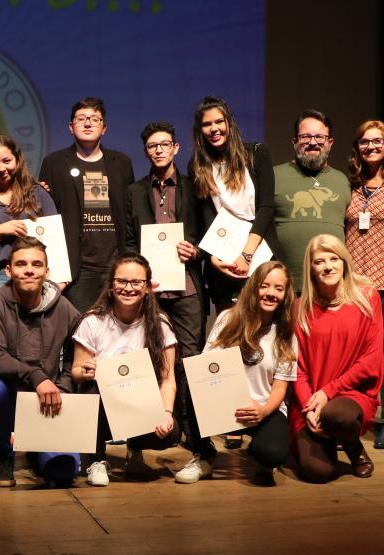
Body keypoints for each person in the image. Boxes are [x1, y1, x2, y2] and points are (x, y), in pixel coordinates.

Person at [125, 121, 211, 481]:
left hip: (188, 288)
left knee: (191, 364)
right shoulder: (134, 192)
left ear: (176, 148)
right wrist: (141, 274)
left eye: (165, 145)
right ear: (146, 151)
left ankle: (199, 446)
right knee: (146, 364)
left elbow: (209, 234)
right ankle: (136, 448)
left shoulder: (195, 187)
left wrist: (197, 250)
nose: (158, 150)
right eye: (152, 146)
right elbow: (129, 241)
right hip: (151, 290)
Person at [0, 237, 81, 487]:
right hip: (11, 395)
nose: (29, 270)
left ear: (47, 271)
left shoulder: (64, 308)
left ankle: (36, 447)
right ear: (9, 270)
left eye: (36, 264)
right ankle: (3, 452)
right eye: (21, 264)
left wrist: (62, 388)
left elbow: (79, 352)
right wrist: (37, 376)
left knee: (65, 472)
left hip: (45, 401)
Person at [71, 253, 180, 487]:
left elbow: (167, 379)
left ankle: (135, 449)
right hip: (103, 406)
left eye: (136, 282)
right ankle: (97, 460)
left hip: (139, 407)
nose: (128, 288)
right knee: (89, 393)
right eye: (121, 281)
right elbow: (76, 372)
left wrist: (166, 413)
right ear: (111, 285)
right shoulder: (93, 321)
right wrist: (86, 371)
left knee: (171, 433)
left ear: (148, 287)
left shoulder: (160, 325)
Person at [291, 234, 383, 483]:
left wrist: (328, 392)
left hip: (350, 394)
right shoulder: (300, 307)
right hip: (310, 398)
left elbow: (371, 360)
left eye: (334, 258)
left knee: (337, 417)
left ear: (344, 263)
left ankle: (353, 448)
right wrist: (309, 407)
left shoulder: (367, 297)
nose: (328, 266)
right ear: (310, 267)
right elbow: (296, 368)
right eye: (319, 261)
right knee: (317, 473)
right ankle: (315, 442)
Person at [203, 261, 298, 484]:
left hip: (264, 408)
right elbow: (207, 369)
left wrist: (263, 411)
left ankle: (260, 452)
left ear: (285, 295)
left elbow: (280, 387)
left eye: (278, 288)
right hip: (225, 406)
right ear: (254, 287)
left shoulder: (286, 333)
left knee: (272, 454)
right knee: (190, 387)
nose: (270, 293)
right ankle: (203, 455)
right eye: (264, 286)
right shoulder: (228, 319)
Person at [39, 97, 135, 312]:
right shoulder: (53, 163)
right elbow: (46, 215)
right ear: (71, 127)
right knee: (79, 334)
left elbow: (129, 214)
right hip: (77, 268)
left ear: (104, 128)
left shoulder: (121, 163)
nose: (88, 123)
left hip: (115, 265)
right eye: (81, 118)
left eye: (94, 119)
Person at [344, 120, 384, 449]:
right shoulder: (350, 187)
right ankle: (355, 414)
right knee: (354, 355)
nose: (371, 147)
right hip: (353, 285)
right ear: (357, 148)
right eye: (364, 142)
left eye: (378, 141)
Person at [189, 96, 280, 310]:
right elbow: (207, 219)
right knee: (230, 334)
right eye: (207, 124)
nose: (214, 128)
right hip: (222, 261)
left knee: (263, 332)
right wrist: (213, 258)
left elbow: (266, 207)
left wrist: (246, 255)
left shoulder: (257, 153)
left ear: (229, 123)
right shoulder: (197, 167)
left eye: (219, 121)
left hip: (260, 252)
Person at [273, 110, 350, 292]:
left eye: (319, 137)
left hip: (332, 285)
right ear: (294, 142)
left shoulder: (344, 181)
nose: (313, 143)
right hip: (285, 286)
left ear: (330, 143)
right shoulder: (274, 175)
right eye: (306, 137)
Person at [0, 134, 58, 294]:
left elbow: (55, 239)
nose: (2, 168)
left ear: (17, 160)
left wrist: (59, 280)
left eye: (7, 161)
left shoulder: (37, 193)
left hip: (36, 276)